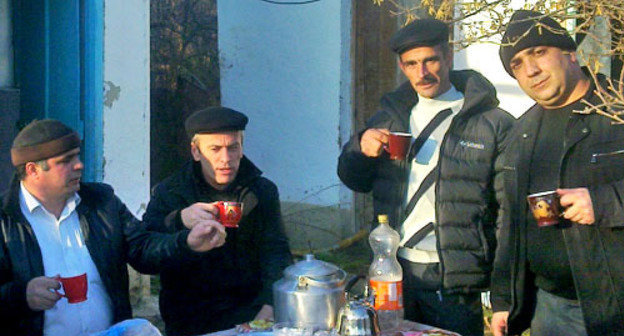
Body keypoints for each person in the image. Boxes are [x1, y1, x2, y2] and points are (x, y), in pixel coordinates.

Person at [337, 18, 514, 336]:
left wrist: (502, 292)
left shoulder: (491, 122)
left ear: (447, 57)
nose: (422, 73)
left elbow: (508, 213)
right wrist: (360, 149)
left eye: (430, 60)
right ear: (402, 67)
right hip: (393, 269)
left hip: (454, 276)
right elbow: (355, 181)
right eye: (411, 64)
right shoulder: (390, 116)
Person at [490, 10, 624, 336]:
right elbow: (511, 223)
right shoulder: (521, 133)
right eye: (517, 64)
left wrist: (606, 202)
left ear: (570, 53)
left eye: (538, 52)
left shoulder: (616, 110)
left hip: (616, 306)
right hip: (549, 309)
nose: (531, 70)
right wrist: (504, 301)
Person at [0, 119, 169, 336]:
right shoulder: (5, 220)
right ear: (33, 170)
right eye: (66, 160)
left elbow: (144, 249)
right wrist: (21, 296)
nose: (79, 165)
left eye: (77, 156)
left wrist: (187, 240)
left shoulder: (101, 203)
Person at [141, 106, 293, 336]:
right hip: (190, 318)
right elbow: (145, 253)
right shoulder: (170, 193)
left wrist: (270, 304)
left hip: (249, 314)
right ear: (196, 151)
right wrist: (180, 220)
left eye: (233, 148)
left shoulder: (261, 191)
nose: (226, 159)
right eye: (215, 149)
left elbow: (276, 251)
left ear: (242, 148)